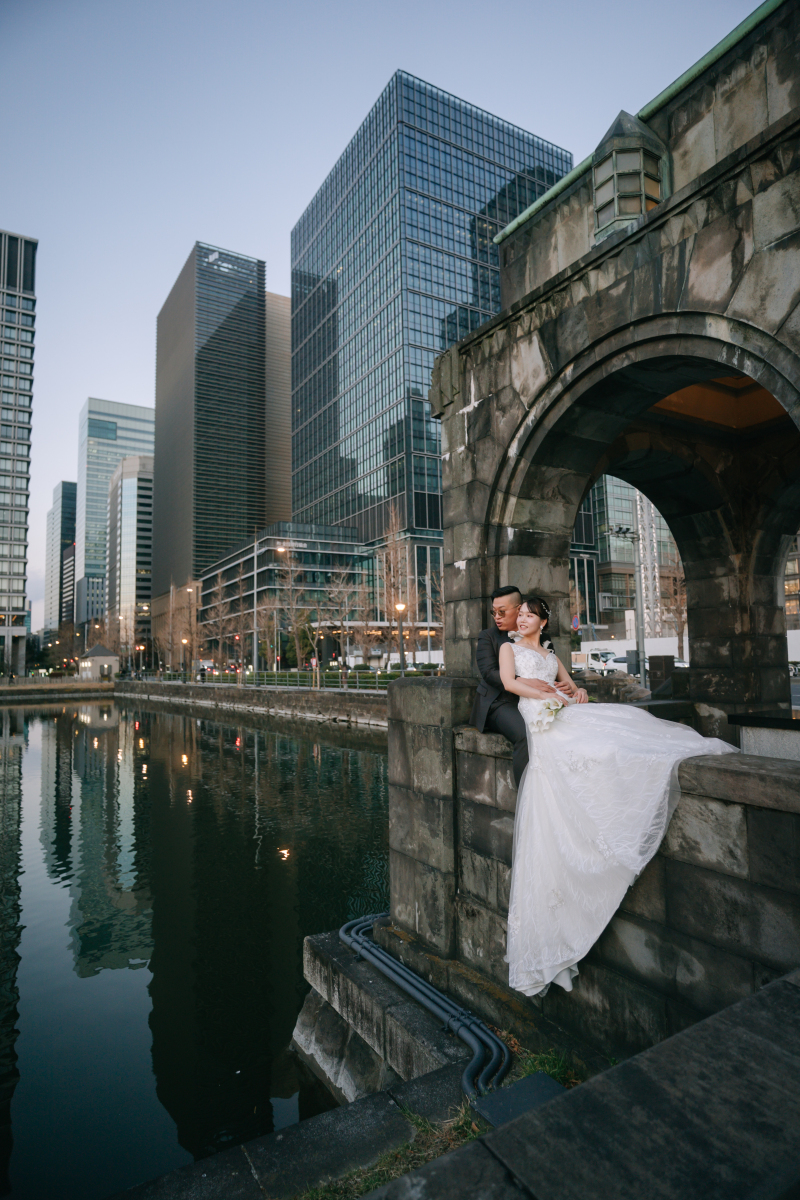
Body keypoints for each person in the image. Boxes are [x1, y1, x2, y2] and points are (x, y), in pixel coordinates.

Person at [500, 595, 737, 998]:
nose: (520, 619)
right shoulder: (510, 648)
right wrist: (543, 694)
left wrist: (574, 696)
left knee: (620, 729)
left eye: (527, 615)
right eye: (518, 614)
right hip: (539, 723)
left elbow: (576, 691)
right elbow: (510, 684)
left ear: (542, 622)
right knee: (593, 750)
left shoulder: (551, 654)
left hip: (559, 713)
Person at [470, 586, 563, 786]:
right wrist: (522, 680)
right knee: (524, 733)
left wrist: (569, 689)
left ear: (519, 608)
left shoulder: (543, 638)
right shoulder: (488, 636)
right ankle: (525, 792)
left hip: (536, 700)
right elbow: (489, 672)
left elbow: (552, 671)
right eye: (493, 612)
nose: (496, 616)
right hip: (500, 702)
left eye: (502, 611)